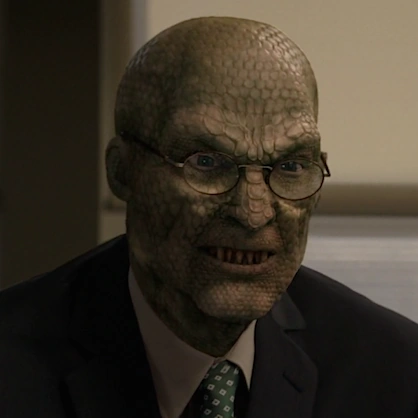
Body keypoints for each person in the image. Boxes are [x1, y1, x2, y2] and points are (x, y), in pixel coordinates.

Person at [0, 16, 417, 418]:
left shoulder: (394, 373)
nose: (253, 214)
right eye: (207, 162)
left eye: (291, 166)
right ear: (123, 172)